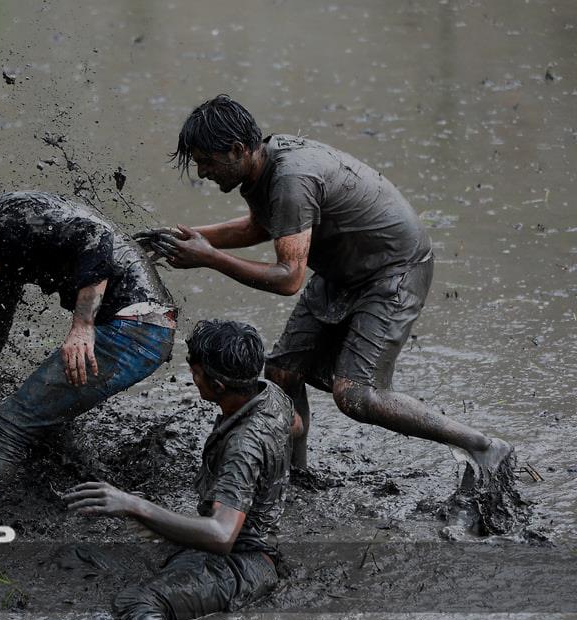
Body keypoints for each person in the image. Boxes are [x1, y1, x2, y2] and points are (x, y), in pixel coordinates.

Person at [136, 95, 512, 473]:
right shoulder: (263, 164)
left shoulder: (291, 180)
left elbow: (289, 278)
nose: (202, 172)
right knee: (283, 373)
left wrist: (208, 257)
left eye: (206, 161)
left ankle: (483, 446)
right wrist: (185, 238)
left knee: (357, 395)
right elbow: (261, 226)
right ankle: (293, 473)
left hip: (393, 272)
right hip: (344, 268)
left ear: (237, 149)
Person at [0, 191, 177, 518]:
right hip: (142, 326)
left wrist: (82, 325)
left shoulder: (5, 218)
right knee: (42, 426)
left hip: (135, 327)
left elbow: (95, 236)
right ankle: (110, 504)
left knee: (7, 424)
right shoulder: (6, 258)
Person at [63, 319, 290, 620]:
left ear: (217, 384)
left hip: (245, 562)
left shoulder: (243, 447)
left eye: (195, 373)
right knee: (100, 555)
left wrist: (133, 504)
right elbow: (296, 424)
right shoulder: (269, 393)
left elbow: (221, 535)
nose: (192, 378)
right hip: (259, 541)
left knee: (138, 604)